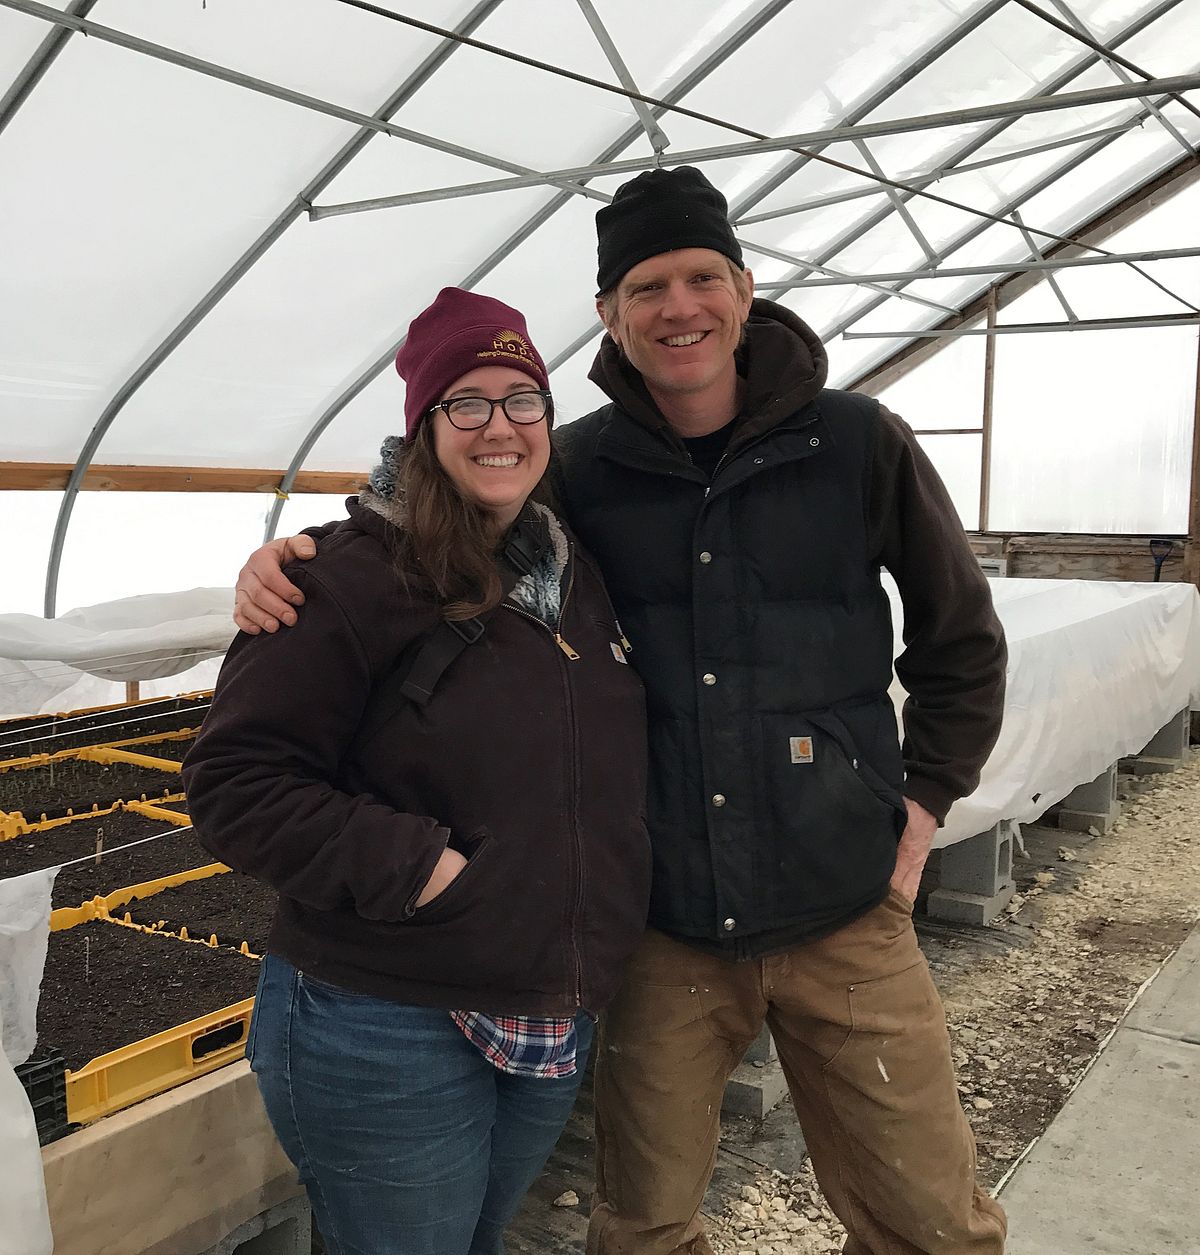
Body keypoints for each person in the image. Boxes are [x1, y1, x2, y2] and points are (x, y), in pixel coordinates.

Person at [234, 168, 1009, 1255]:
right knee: (643, 1222)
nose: (678, 305)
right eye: (646, 285)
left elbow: (961, 642)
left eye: (701, 276)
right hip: (665, 929)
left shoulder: (856, 444)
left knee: (930, 1214)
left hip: (844, 904)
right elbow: (444, 513)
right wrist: (289, 558)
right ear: (608, 313)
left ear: (745, 288)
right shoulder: (577, 468)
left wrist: (922, 811)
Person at [183, 288, 651, 1255]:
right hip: (386, 1015)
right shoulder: (345, 576)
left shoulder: (572, 573)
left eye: (523, 401)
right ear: (423, 424)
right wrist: (422, 870)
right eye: (466, 403)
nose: (499, 427)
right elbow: (235, 782)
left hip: (545, 1004)